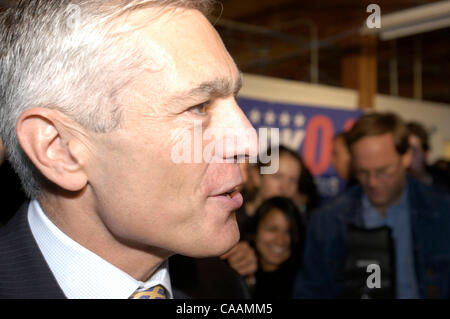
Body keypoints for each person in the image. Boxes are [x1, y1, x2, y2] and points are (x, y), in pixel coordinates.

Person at [0, 0, 257, 299]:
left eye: (234, 99)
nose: (249, 142)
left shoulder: (223, 287)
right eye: (199, 107)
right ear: (60, 149)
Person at [293, 112, 450, 299]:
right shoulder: (327, 221)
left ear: (406, 156)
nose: (373, 182)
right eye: (363, 172)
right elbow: (311, 291)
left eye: (383, 171)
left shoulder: (442, 210)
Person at [247, 197, 305, 299]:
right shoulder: (235, 272)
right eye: (272, 229)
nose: (280, 240)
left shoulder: (305, 284)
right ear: (255, 231)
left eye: (288, 232)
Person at [407, 121, 450, 193]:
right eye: (402, 151)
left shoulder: (444, 182)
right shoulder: (395, 188)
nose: (406, 157)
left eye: (414, 150)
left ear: (426, 153)